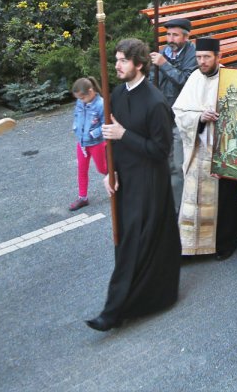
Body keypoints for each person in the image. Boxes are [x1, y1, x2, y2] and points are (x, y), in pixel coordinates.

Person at [87, 38, 181, 331]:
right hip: (126, 178)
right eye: (115, 60)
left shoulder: (155, 102)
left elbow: (160, 150)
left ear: (139, 64)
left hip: (150, 182)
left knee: (137, 243)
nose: (117, 66)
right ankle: (138, 298)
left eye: (123, 61)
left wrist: (124, 134)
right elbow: (110, 139)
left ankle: (114, 310)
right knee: (129, 240)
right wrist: (110, 172)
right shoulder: (116, 93)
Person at [172, 37, 237, 259]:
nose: (202, 62)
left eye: (206, 57)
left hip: (224, 149)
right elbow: (179, 111)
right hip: (199, 149)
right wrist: (200, 117)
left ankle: (224, 244)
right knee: (194, 200)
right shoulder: (195, 78)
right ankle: (192, 244)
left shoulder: (231, 79)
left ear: (218, 56)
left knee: (225, 201)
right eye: (198, 57)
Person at [150, 17, 198, 202]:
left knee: (178, 164)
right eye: (168, 34)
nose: (170, 39)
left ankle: (179, 207)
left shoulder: (192, 55)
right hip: (163, 113)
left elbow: (186, 82)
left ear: (185, 37)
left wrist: (164, 65)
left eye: (175, 35)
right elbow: (152, 80)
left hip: (182, 114)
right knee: (164, 161)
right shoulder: (164, 52)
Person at [69, 77, 108, 211]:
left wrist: (93, 134)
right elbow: (76, 116)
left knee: (102, 168)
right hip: (82, 142)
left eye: (82, 97)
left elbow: (106, 124)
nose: (80, 100)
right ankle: (83, 197)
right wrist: (76, 127)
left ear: (90, 91)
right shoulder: (80, 103)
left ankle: (116, 181)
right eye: (78, 98)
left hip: (96, 143)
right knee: (81, 169)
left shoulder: (101, 104)